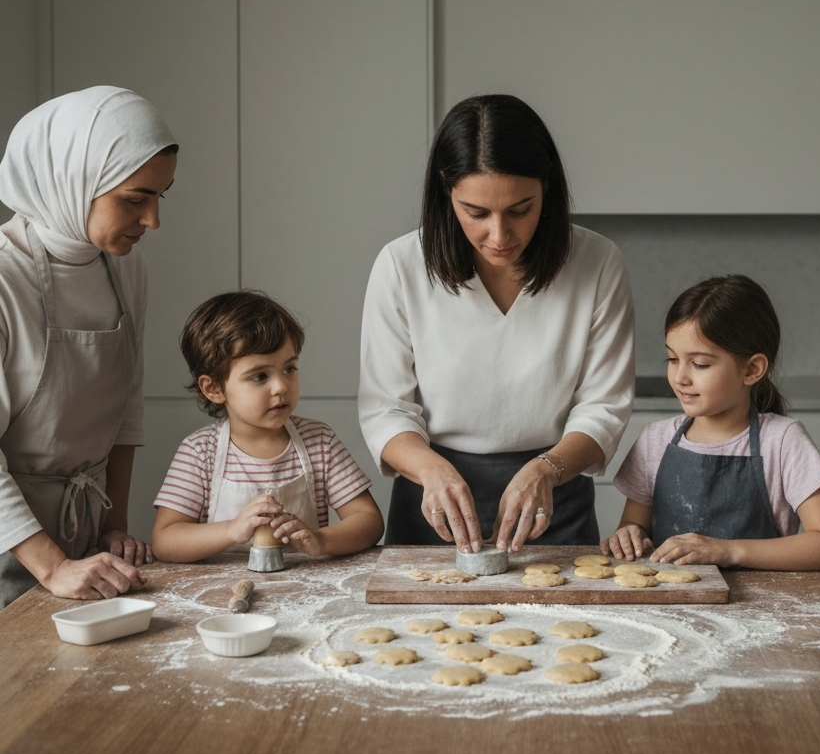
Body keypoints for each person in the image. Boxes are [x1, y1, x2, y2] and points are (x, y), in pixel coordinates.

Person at [359, 94, 634, 553]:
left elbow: (603, 407)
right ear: (446, 190)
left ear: (547, 188)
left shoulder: (598, 263)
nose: (499, 236)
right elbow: (386, 408)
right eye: (476, 213)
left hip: (553, 497)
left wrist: (546, 470)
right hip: (432, 500)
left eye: (520, 209)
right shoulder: (400, 265)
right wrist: (432, 470)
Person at [0, 86, 177, 607]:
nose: (153, 221)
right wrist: (52, 567)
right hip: (13, 546)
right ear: (71, 179)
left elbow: (126, 410)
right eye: (134, 199)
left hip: (81, 550)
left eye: (159, 197)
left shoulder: (124, 267)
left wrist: (112, 527)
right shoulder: (5, 280)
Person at [603, 275, 820, 571]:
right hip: (670, 607)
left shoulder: (783, 441)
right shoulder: (655, 440)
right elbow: (634, 525)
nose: (680, 377)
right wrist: (628, 534)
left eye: (700, 364)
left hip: (760, 609)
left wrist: (725, 551)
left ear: (751, 369)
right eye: (672, 359)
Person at [152, 291, 383, 561]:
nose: (281, 387)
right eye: (260, 376)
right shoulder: (200, 452)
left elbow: (368, 520)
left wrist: (321, 540)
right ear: (213, 388)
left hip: (306, 592)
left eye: (289, 369)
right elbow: (165, 540)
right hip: (224, 596)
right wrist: (232, 530)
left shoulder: (319, 441)